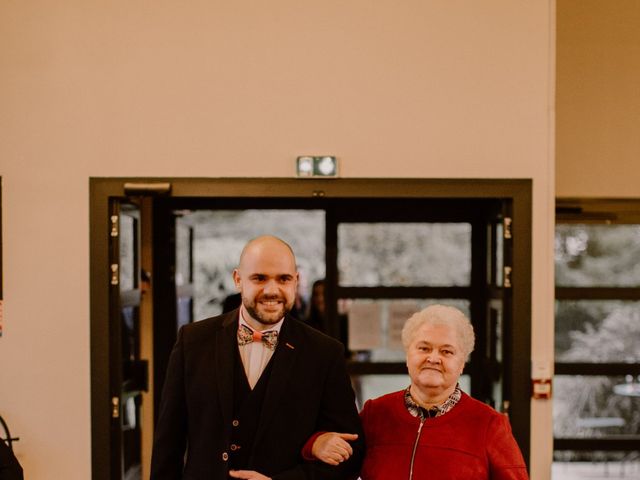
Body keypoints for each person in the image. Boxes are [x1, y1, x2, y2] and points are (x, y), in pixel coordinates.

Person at [150, 235, 364, 480]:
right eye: (259, 278)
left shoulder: (324, 353)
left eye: (283, 279)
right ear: (238, 280)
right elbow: (168, 443)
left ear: (296, 281)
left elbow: (352, 454)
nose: (272, 290)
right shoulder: (193, 341)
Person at [305, 304, 528, 480]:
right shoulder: (376, 413)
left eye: (447, 351)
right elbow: (337, 460)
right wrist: (315, 444)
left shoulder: (489, 424)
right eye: (424, 348)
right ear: (407, 354)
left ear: (462, 363)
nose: (433, 358)